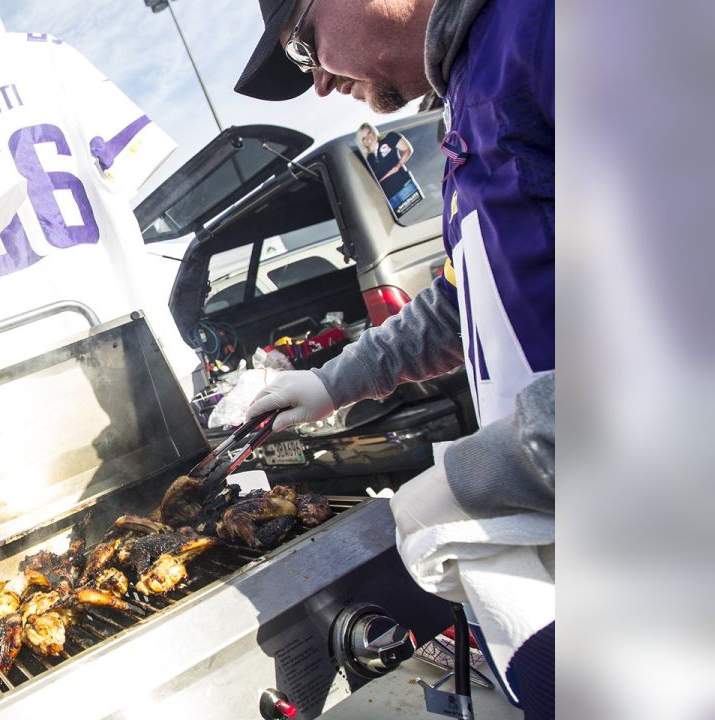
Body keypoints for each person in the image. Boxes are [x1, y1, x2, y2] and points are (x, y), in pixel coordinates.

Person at [235, 0, 554, 717]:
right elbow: (464, 296)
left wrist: (504, 466)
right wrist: (329, 383)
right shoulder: (468, 92)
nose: (318, 83)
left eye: (303, 46)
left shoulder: (549, 28)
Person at [356, 122, 420, 214]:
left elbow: (408, 149)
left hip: (406, 188)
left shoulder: (390, 138)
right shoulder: (367, 160)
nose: (368, 138)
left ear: (373, 131)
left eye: (369, 133)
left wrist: (398, 165)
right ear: (362, 142)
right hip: (389, 200)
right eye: (363, 138)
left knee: (417, 216)